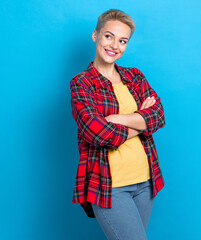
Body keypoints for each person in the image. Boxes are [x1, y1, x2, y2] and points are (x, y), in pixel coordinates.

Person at [70, 9, 166, 240]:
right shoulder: (82, 83)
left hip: (145, 181)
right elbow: (98, 134)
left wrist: (115, 119)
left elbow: (158, 116)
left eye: (122, 41)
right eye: (109, 36)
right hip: (109, 186)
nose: (114, 45)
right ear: (96, 35)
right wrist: (140, 120)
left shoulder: (135, 76)